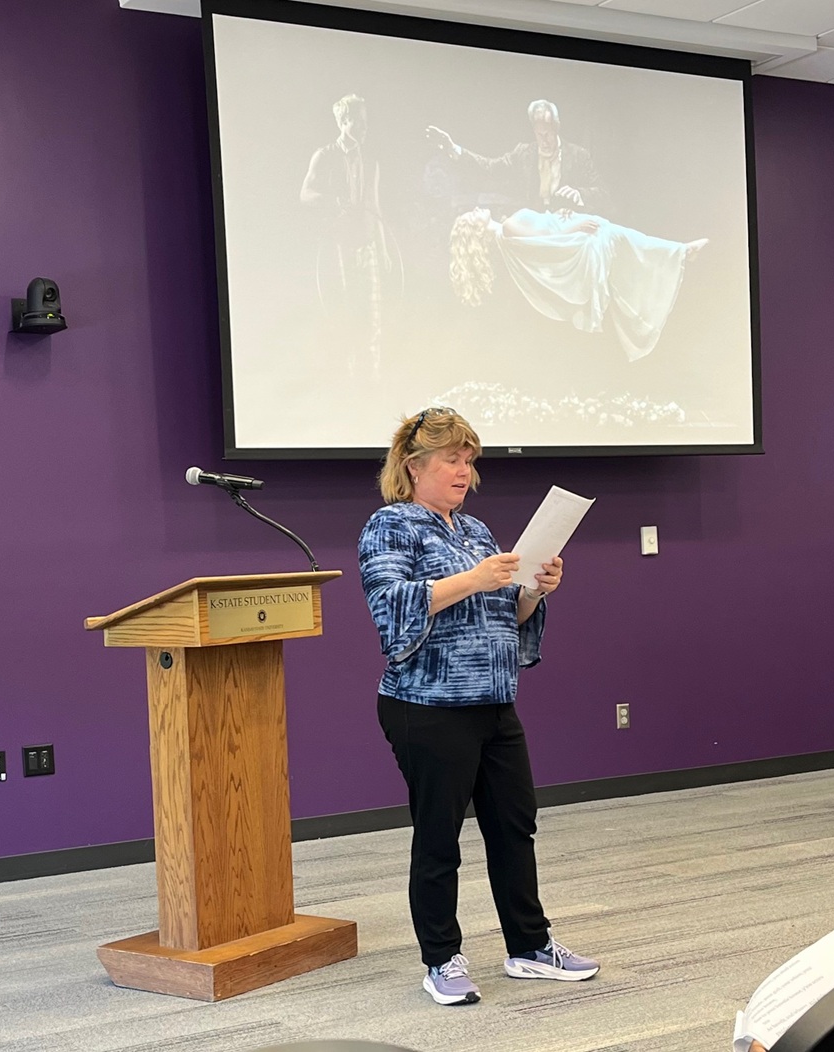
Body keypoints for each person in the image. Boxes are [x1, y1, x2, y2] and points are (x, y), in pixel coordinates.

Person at [357, 406, 600, 1006]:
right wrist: (475, 579)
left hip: (493, 702)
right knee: (439, 837)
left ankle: (530, 947)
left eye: (469, 461)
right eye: (451, 460)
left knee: (515, 827)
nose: (464, 471)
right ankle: (441, 959)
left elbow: (503, 617)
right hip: (427, 705)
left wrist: (533, 590)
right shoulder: (391, 526)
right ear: (413, 466)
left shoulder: (476, 531)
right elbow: (391, 605)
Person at [449, 205, 708, 362]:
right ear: (476, 229)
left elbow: (543, 230)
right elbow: (545, 242)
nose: (476, 208)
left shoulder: (506, 230)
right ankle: (680, 252)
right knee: (621, 237)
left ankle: (677, 253)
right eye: (472, 215)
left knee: (627, 246)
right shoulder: (508, 227)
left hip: (575, 238)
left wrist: (561, 215)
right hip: (579, 245)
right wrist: (575, 227)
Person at [300, 93, 389, 374]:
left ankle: (372, 379)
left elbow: (375, 206)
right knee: (346, 313)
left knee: (373, 316)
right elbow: (305, 194)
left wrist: (384, 249)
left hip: (368, 245)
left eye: (366, 122)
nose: (364, 128)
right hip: (339, 246)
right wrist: (333, 202)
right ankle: (348, 380)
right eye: (359, 122)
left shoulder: (371, 162)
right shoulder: (325, 156)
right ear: (344, 121)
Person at [426, 99, 608, 215]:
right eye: (539, 135)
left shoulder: (578, 155)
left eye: (548, 134)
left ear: (557, 127)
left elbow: (603, 193)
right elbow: (490, 167)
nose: (544, 141)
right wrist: (454, 149)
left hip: (568, 223)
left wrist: (579, 194)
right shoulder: (523, 154)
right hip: (533, 223)